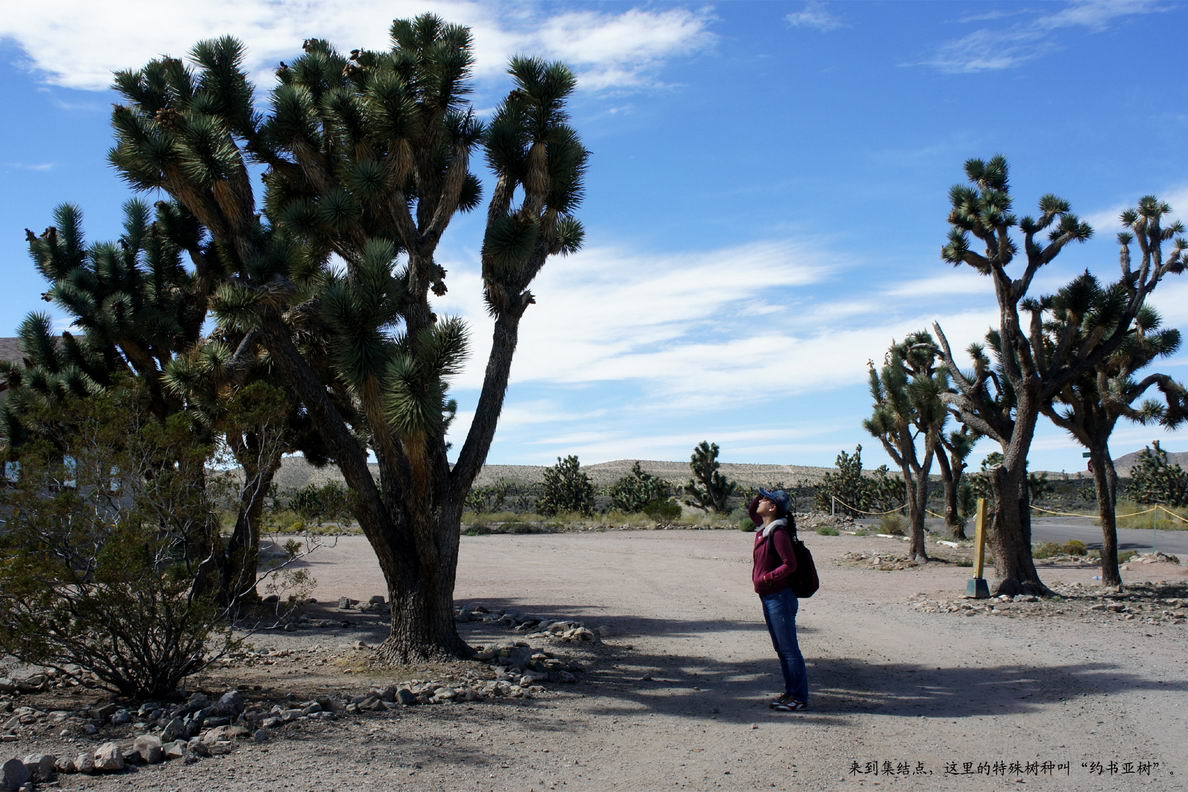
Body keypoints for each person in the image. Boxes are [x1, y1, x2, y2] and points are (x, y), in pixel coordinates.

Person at [749, 487, 808, 712]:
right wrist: (760, 495)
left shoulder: (778, 532)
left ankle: (799, 697)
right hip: (770, 596)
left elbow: (790, 564)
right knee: (782, 649)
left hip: (779, 596)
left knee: (789, 650)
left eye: (765, 500)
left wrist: (767, 578)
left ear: (772, 507)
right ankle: (790, 693)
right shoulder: (766, 528)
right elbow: (752, 513)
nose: (759, 502)